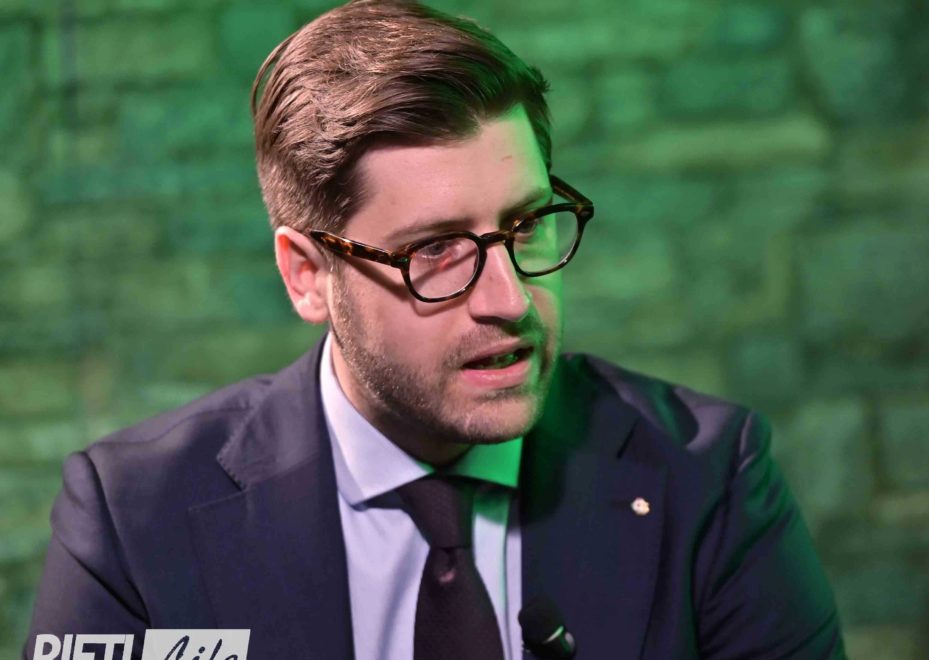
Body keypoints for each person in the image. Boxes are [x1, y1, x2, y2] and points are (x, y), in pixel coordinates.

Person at [24, 1, 844, 658]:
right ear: (307, 274)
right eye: (436, 251)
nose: (510, 299)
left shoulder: (709, 478)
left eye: (527, 226)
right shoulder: (134, 525)